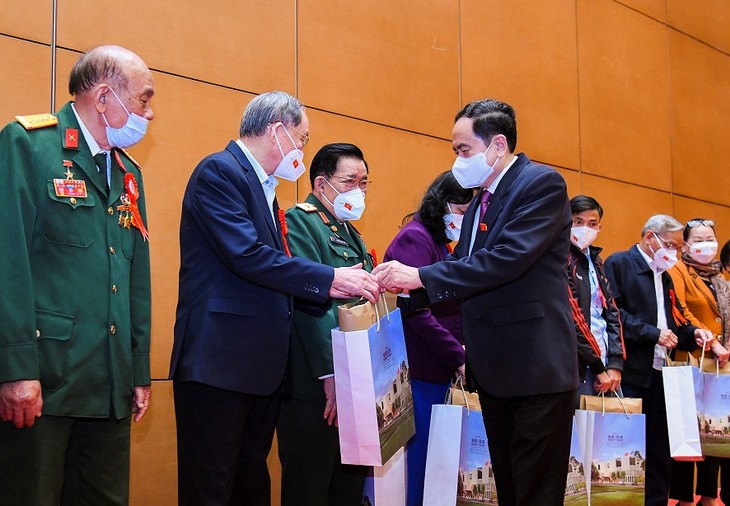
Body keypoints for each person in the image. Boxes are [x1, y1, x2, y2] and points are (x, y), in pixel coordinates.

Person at [170, 92, 380, 506]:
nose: (301, 150)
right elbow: (247, 255)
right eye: (301, 140)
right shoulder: (220, 171)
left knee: (250, 485)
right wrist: (328, 278)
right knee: (211, 488)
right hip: (219, 363)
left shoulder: (264, 189)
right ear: (277, 131)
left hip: (257, 369)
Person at [374, 98, 579, 506]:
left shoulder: (541, 185)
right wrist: (402, 289)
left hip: (535, 368)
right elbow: (464, 271)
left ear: (497, 145)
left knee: (536, 491)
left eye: (463, 149)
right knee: (509, 486)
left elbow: (505, 260)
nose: (457, 159)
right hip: (495, 371)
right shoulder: (480, 201)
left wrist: (421, 277)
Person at [0, 45, 155, 505]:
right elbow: (9, 262)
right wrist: (15, 369)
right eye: (144, 100)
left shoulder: (129, 175)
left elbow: (136, 277)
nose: (150, 113)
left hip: (108, 381)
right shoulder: (29, 144)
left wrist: (139, 368)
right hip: (45, 380)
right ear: (105, 97)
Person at [276, 143, 374, 505]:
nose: (359, 191)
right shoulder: (301, 220)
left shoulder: (350, 232)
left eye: (364, 183)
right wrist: (330, 374)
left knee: (345, 489)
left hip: (352, 384)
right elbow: (309, 302)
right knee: (310, 487)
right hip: (314, 385)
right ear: (321, 184)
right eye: (351, 181)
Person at [604, 214, 715, 506]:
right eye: (670, 245)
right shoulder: (620, 264)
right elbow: (614, 315)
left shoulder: (663, 274)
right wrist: (652, 333)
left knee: (659, 450)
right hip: (630, 372)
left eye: (678, 248)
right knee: (628, 449)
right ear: (649, 238)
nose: (675, 253)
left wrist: (695, 334)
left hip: (660, 372)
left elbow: (675, 322)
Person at [382, 170, 472, 506]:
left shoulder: (438, 242)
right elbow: (416, 311)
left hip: (437, 369)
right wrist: (458, 356)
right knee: (418, 469)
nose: (463, 221)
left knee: (438, 471)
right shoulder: (415, 238)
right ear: (444, 203)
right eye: (462, 213)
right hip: (420, 371)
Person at [667, 218, 730, 506]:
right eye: (699, 239)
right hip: (692, 359)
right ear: (687, 243)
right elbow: (679, 309)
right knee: (688, 431)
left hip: (720, 366)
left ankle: (708, 493)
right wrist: (710, 341)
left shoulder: (719, 278)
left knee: (715, 430)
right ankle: (682, 497)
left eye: (710, 239)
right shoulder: (678, 270)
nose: (706, 245)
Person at [567, 195, 624, 399]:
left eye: (592, 224)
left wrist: (615, 362)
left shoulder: (597, 261)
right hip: (579, 364)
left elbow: (612, 313)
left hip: (606, 363)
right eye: (578, 222)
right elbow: (573, 317)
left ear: (599, 228)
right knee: (579, 429)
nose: (585, 229)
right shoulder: (560, 257)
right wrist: (597, 365)